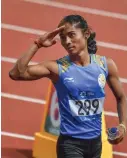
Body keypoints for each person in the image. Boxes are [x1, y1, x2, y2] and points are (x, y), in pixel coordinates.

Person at [9, 15, 127, 158]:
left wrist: (123, 125)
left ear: (86, 34)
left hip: (96, 144)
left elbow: (121, 97)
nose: (67, 41)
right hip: (70, 145)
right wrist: (38, 44)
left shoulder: (105, 65)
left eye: (71, 35)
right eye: (63, 37)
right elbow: (16, 73)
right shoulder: (57, 68)